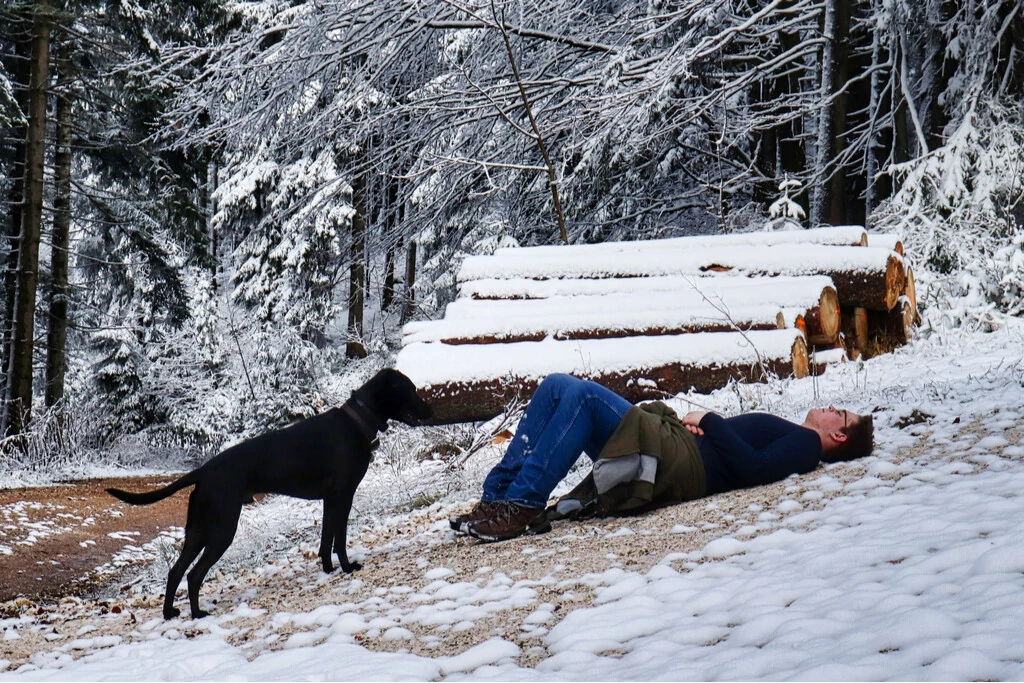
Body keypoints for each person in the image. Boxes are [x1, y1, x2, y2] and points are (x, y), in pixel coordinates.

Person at [451, 373, 874, 542]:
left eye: (842, 413)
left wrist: (709, 419)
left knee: (577, 395)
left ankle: (521, 504)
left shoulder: (807, 445)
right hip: (677, 451)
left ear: (838, 434)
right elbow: (740, 455)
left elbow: (753, 470)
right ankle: (498, 497)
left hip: (679, 463)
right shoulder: (799, 439)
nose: (833, 407)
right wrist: (706, 428)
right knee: (557, 385)